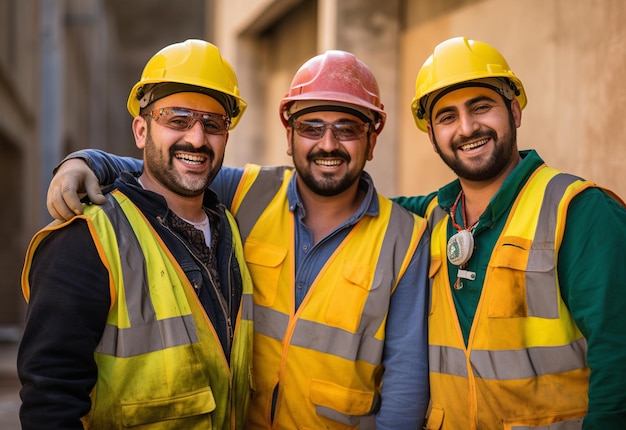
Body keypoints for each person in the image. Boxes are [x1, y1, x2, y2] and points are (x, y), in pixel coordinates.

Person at [43, 50, 431, 428]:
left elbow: (406, 382)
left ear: (373, 140)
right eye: (311, 128)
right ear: (289, 136)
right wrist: (85, 162)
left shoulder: (404, 236)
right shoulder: (248, 192)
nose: (327, 144)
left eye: (347, 130)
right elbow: (173, 167)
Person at [18, 39, 254, 429]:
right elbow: (50, 397)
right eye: (177, 120)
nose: (197, 139)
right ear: (141, 131)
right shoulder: (87, 237)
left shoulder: (228, 224)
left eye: (213, 124)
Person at [392, 37, 626, 429]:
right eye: (447, 117)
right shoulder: (430, 217)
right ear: (431, 136)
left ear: (514, 111)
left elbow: (618, 356)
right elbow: (353, 206)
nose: (467, 128)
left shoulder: (579, 210)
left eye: (481, 107)